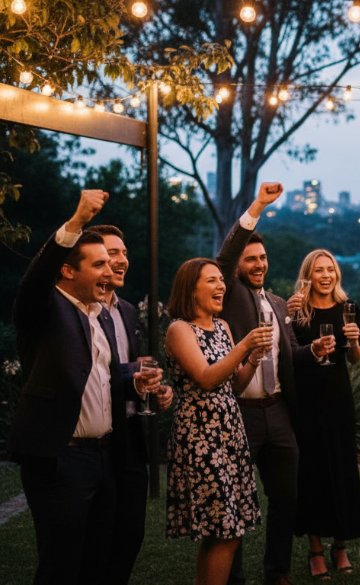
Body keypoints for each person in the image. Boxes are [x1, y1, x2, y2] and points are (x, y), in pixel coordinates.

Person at [8, 189, 160, 585]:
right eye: (98, 265)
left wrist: (136, 381)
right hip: (61, 459)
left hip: (103, 457)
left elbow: (101, 380)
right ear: (68, 270)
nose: (108, 272)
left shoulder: (97, 314)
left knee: (98, 558)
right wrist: (76, 222)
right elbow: (35, 280)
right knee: (62, 564)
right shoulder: (43, 307)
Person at [217, 183, 331, 585]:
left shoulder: (279, 304)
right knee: (234, 501)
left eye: (263, 258)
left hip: (278, 412)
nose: (258, 264)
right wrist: (258, 207)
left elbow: (290, 357)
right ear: (237, 266)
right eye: (251, 259)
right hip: (241, 414)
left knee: (286, 498)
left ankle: (277, 571)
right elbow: (228, 252)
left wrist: (312, 349)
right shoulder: (230, 294)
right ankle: (234, 576)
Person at [164, 258, 271, 585]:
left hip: (229, 434)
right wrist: (245, 345)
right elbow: (207, 378)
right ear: (191, 289)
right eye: (212, 281)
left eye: (222, 281)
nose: (221, 286)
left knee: (229, 529)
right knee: (223, 530)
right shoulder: (179, 329)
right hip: (201, 438)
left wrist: (252, 358)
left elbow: (235, 384)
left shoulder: (222, 327)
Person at [90, 224, 173, 585]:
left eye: (124, 253)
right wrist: (133, 376)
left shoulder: (125, 309)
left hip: (132, 438)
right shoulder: (82, 311)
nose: (122, 260)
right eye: (112, 254)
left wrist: (156, 389)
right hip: (99, 441)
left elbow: (132, 366)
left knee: (130, 535)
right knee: (96, 540)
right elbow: (92, 372)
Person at [286, 250, 360, 580]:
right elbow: (287, 355)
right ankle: (316, 550)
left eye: (330, 269)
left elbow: (355, 360)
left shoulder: (349, 309)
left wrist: (355, 342)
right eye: (318, 270)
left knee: (341, 468)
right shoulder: (298, 311)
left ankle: (341, 545)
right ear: (308, 275)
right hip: (307, 400)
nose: (325, 275)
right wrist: (287, 316)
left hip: (338, 399)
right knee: (312, 472)